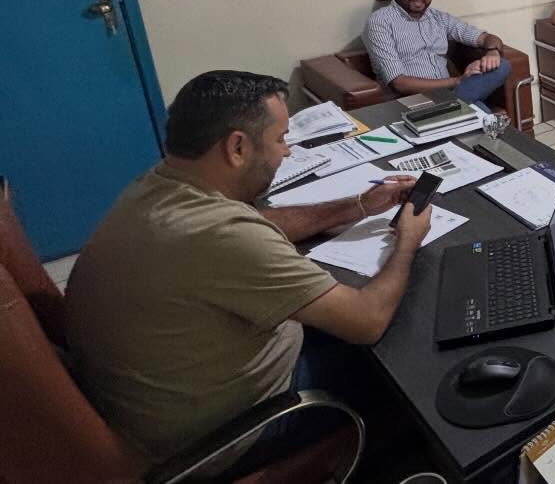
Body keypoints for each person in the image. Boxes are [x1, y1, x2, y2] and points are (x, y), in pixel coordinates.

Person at [65, 71, 431, 472]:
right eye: (280, 139)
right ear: (237, 147)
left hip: (164, 398)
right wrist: (409, 238)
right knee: (409, 366)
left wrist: (358, 205)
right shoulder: (221, 236)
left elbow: (257, 225)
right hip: (225, 435)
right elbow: (366, 321)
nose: (287, 152)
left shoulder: (158, 187)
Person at [363, 0, 511, 108]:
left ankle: (456, 107)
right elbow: (399, 84)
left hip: (451, 93)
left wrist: (492, 51)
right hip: (413, 101)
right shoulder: (380, 22)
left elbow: (486, 38)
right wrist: (458, 81)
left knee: (502, 66)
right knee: (480, 110)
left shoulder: (440, 18)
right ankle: (461, 107)